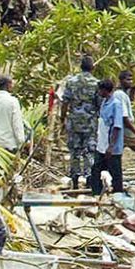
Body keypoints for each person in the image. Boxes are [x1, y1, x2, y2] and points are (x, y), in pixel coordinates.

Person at [59, 56, 99, 190]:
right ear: (92, 68)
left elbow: (65, 101)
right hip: (90, 122)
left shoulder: (71, 82)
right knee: (89, 151)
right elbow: (99, 104)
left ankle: (75, 178)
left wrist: (62, 118)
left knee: (75, 151)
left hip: (74, 122)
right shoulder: (96, 83)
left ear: (80, 67)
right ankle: (88, 178)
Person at [90, 78, 125, 194]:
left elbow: (117, 126)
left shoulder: (116, 104)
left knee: (115, 173)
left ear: (105, 90)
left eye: (100, 90)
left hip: (112, 147)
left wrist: (111, 146)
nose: (99, 93)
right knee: (96, 169)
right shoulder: (104, 102)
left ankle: (118, 194)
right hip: (102, 144)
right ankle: (96, 194)